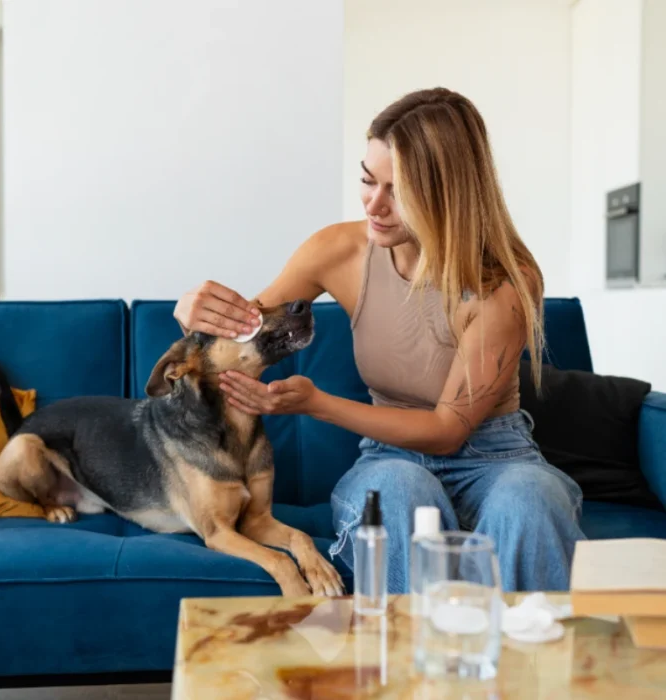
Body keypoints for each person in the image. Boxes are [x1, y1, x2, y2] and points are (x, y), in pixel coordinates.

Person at [174, 87, 585, 593]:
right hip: (391, 459)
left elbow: (447, 430)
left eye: (399, 192)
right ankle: (406, 667)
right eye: (369, 181)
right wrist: (193, 313)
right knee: (399, 488)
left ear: (448, 195)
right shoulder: (339, 249)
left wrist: (318, 404)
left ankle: (533, 668)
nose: (374, 204)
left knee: (530, 498)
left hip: (497, 459)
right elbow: (244, 330)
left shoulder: (503, 283)